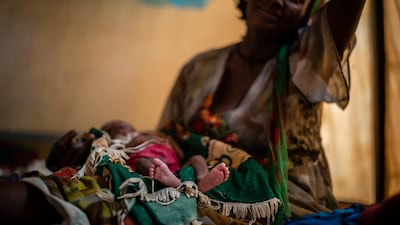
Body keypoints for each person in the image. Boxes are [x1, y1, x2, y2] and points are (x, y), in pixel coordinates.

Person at [0, 0, 368, 224]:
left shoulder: (305, 63)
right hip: (177, 179)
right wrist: (95, 155)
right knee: (56, 189)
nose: (277, 0)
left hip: (267, 195)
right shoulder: (199, 68)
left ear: (308, 11)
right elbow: (163, 144)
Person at [100, 119, 230, 193]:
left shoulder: (151, 133)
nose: (117, 125)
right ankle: (172, 182)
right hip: (152, 166)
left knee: (198, 159)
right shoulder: (125, 143)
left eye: (120, 123)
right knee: (142, 163)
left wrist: (169, 141)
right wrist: (130, 143)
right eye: (112, 129)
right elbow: (122, 156)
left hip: (173, 167)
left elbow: (181, 154)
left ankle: (202, 181)